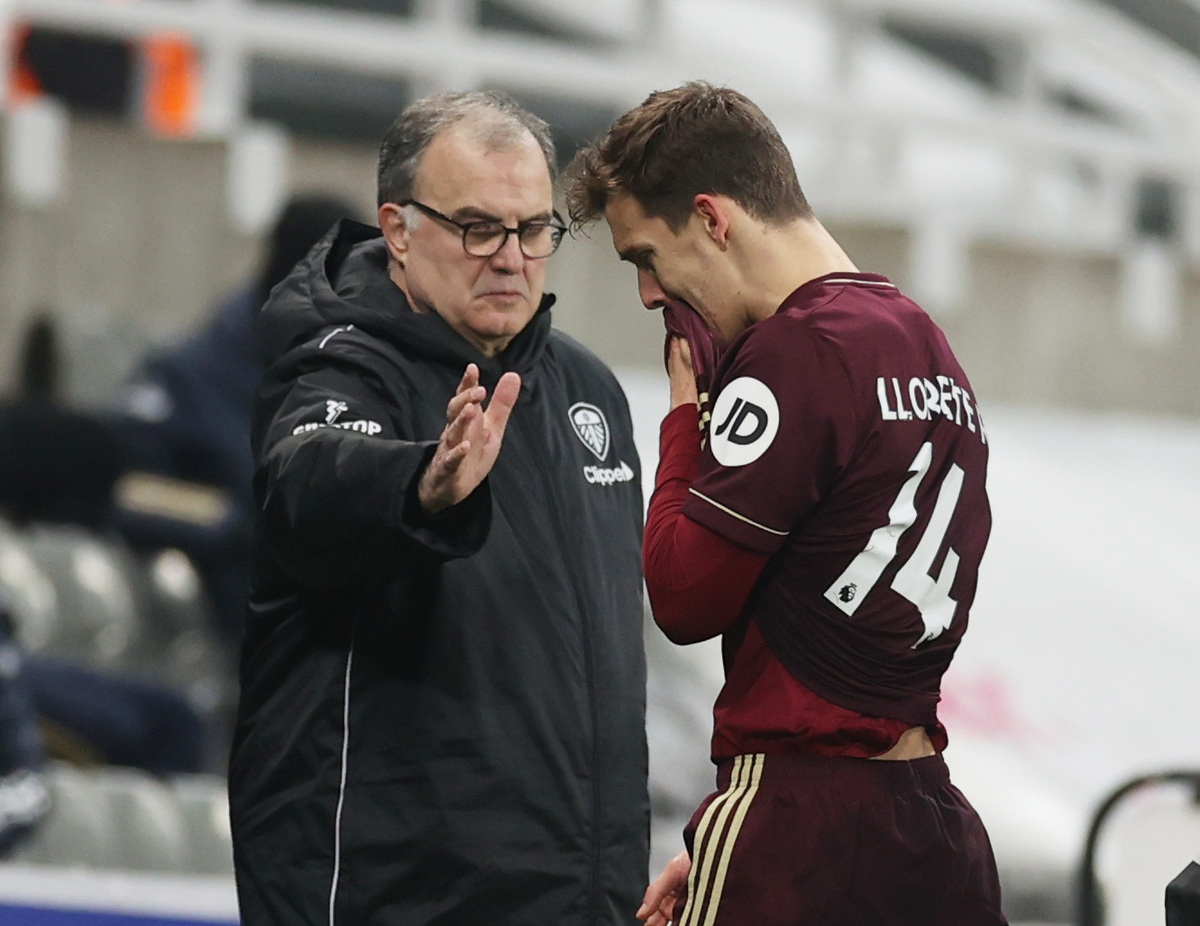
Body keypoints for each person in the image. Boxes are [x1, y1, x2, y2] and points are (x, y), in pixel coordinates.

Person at [566, 82, 1006, 926]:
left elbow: (683, 598)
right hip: (930, 821)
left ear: (711, 219)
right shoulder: (925, 342)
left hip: (802, 829)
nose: (650, 294)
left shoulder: (794, 349)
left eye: (645, 256)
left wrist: (684, 415)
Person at [227, 90, 649, 924]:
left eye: (534, 230)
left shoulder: (587, 391)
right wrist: (422, 487)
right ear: (397, 230)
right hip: (395, 896)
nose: (511, 259)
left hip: (577, 897)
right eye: (478, 228)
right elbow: (310, 487)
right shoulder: (339, 370)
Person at [111, 194, 363, 642]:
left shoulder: (363, 375)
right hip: (236, 630)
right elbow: (130, 490)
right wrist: (242, 523)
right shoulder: (189, 381)